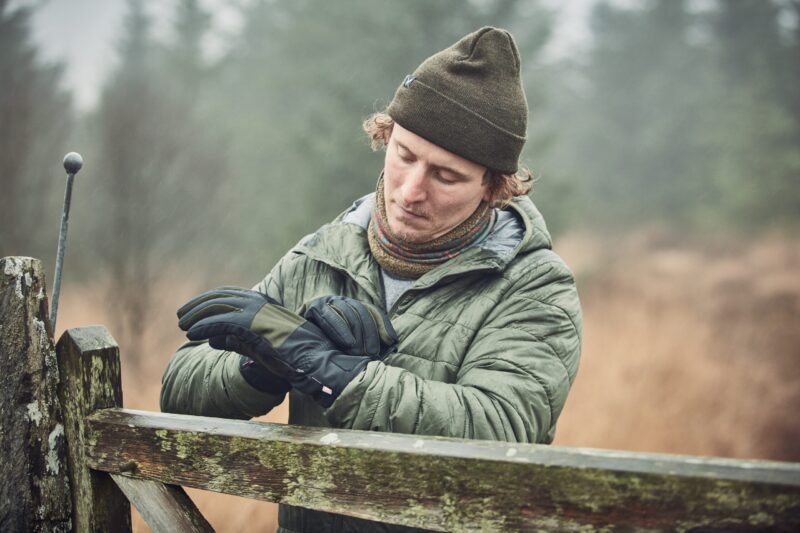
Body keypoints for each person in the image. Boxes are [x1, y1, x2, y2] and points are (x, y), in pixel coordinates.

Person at [161, 26, 582, 533]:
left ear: (494, 188)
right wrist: (269, 364)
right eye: (403, 155)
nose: (409, 190)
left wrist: (335, 372)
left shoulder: (534, 287)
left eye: (444, 176)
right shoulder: (324, 253)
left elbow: (499, 429)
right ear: (385, 136)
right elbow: (180, 390)